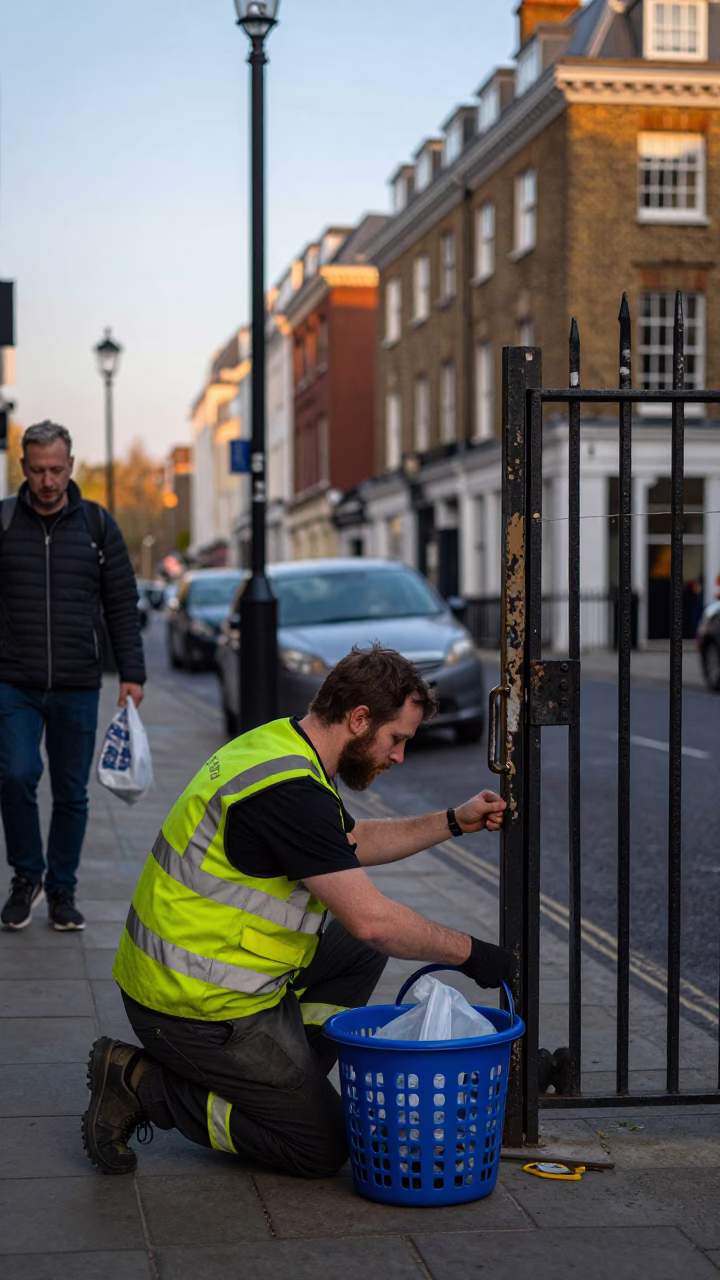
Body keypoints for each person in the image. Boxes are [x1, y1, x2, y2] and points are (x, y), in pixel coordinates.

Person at [82, 644, 512, 1179]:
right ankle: (143, 1084)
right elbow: (372, 919)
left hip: (213, 971)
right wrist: (473, 955)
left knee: (355, 953)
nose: (398, 756)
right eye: (396, 738)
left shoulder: (282, 747)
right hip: (192, 1005)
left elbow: (351, 840)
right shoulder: (290, 793)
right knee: (323, 1146)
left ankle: (284, 1078)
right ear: (359, 718)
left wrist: (454, 820)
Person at [0, 421, 146, 932]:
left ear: (71, 466)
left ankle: (62, 889)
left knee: (71, 792)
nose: (47, 481)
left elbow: (121, 604)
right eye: (38, 470)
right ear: (23, 467)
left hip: (78, 683)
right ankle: (26, 878)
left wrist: (133, 672)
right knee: (15, 774)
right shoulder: (3, 522)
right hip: (12, 680)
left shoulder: (97, 526)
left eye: (56, 470)